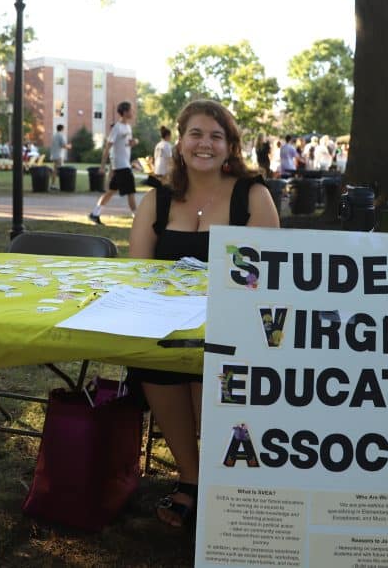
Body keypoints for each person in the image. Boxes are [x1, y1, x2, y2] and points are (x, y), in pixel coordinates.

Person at [129, 99, 279, 527]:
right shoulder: (155, 201)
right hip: (167, 322)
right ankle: (191, 478)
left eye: (217, 136)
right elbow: (141, 272)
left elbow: (263, 277)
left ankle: (220, 481)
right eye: (196, 134)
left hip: (236, 325)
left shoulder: (253, 196)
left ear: (231, 147)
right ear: (179, 143)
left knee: (208, 363)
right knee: (157, 362)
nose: (205, 144)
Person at [88, 101, 138, 225]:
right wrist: (103, 166)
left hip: (123, 164)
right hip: (122, 166)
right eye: (131, 110)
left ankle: (95, 214)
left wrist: (133, 142)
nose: (133, 112)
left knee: (111, 191)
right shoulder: (117, 127)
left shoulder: (128, 127)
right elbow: (108, 147)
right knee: (130, 191)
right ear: (125, 112)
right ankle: (137, 218)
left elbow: (125, 143)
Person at [49, 124, 70, 190]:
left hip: (54, 154)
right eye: (64, 128)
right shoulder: (61, 135)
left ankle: (53, 184)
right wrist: (69, 146)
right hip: (58, 155)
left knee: (56, 169)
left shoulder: (54, 135)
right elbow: (63, 145)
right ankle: (56, 185)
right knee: (58, 170)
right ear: (62, 129)